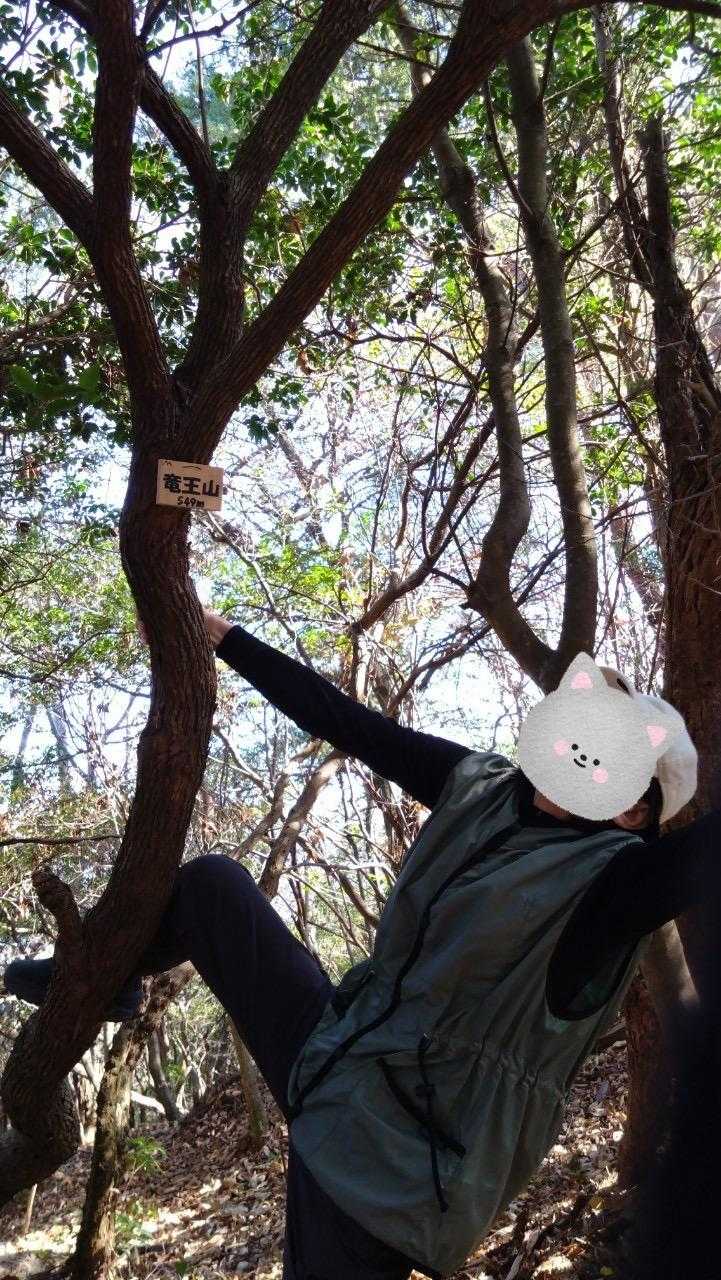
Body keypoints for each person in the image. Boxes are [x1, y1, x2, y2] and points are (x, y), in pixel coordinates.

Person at [3, 611, 718, 1280]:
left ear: (633, 811)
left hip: (398, 1164)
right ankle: (101, 981)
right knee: (211, 888)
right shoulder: (484, 791)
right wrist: (226, 638)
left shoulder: (613, 887)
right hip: (337, 1055)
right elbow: (350, 724)